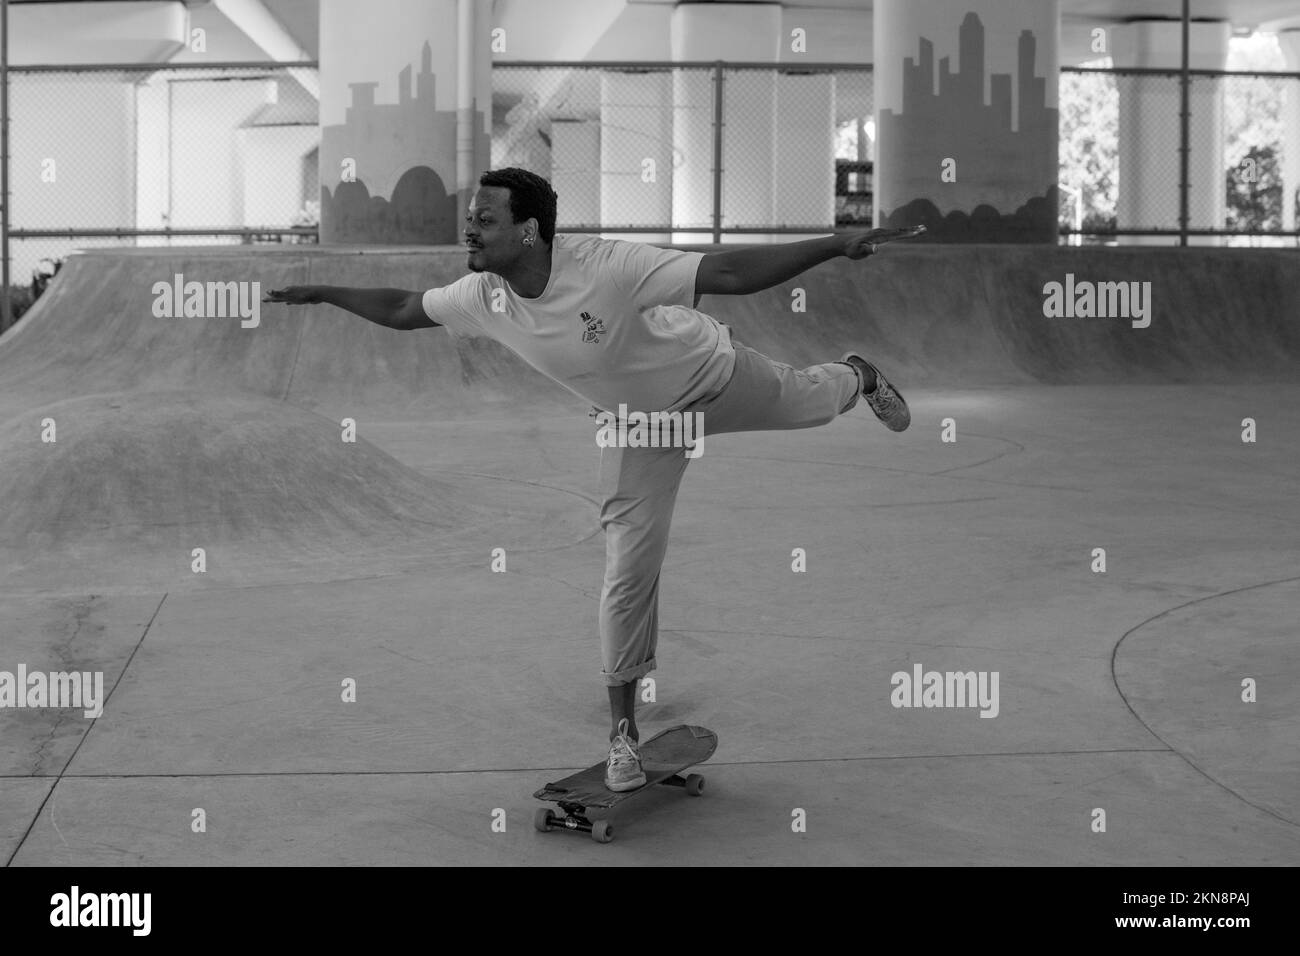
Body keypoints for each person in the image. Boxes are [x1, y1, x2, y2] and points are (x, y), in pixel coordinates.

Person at [267, 167, 911, 791]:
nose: (470, 231)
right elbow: (407, 307)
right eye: (470, 219)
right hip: (638, 430)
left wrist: (834, 242)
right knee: (628, 570)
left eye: (485, 220)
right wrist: (325, 293)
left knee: (811, 402)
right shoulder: (483, 296)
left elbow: (729, 272)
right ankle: (623, 736)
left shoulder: (606, 266)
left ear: (530, 232)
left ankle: (859, 375)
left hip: (713, 377)